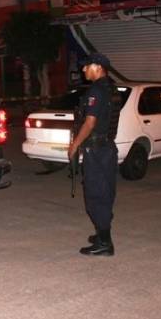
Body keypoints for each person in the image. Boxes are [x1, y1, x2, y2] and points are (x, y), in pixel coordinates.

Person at [68, 53, 120, 257]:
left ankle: (105, 243)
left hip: (97, 151)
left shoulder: (97, 90)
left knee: (95, 194)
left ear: (98, 67)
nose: (83, 69)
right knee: (105, 192)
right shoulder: (111, 87)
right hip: (107, 148)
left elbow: (90, 123)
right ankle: (102, 234)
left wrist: (75, 145)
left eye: (86, 66)